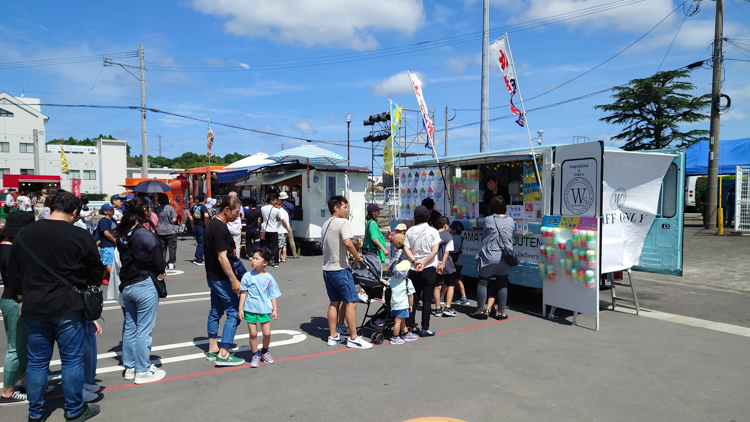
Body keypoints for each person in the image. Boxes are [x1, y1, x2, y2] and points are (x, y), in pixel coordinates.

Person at [8, 191, 103, 421]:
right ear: (74, 212)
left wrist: (21, 299)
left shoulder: (24, 234)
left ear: (51, 208)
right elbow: (95, 273)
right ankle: (74, 410)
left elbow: (14, 273)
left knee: (37, 362)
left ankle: (36, 413)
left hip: (34, 305)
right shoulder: (80, 235)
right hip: (68, 305)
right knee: (71, 360)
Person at [114, 196, 168, 384]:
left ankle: (130, 366)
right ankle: (142, 370)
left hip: (127, 284)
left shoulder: (123, 233)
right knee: (144, 329)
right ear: (144, 210)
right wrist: (161, 270)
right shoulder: (144, 234)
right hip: (143, 283)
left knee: (131, 326)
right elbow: (158, 259)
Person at [321, 196, 372, 349]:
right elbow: (348, 243)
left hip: (327, 269)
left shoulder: (325, 224)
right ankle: (353, 337)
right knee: (352, 301)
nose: (347, 210)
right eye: (344, 207)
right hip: (341, 269)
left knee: (334, 302)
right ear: (335, 208)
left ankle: (333, 336)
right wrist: (358, 257)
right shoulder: (343, 222)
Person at [203, 196, 246, 367]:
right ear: (226, 210)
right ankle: (224, 352)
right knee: (234, 311)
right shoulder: (220, 228)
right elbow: (222, 256)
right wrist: (233, 279)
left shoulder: (212, 223)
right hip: (221, 276)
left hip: (212, 275)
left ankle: (213, 347)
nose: (238, 216)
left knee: (216, 309)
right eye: (236, 212)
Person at [0, 211, 36, 406]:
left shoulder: (6, 247)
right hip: (15, 300)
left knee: (23, 346)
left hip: (11, 299)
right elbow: (18, 278)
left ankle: (25, 385)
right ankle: (7, 392)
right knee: (16, 347)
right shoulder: (9, 250)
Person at [472, 196, 514, 320]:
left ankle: (480, 309)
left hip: (490, 256)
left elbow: (484, 237)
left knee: (483, 282)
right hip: (506, 257)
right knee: (502, 284)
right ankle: (501, 313)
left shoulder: (488, 219)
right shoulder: (511, 220)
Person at [238, 248, 281, 368]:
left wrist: (275, 309)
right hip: (250, 309)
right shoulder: (247, 276)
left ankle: (265, 351)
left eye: (257, 259)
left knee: (267, 333)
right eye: (253, 258)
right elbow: (243, 293)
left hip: (264, 310)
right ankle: (255, 355)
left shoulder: (268, 277)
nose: (253, 260)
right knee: (253, 334)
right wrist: (240, 309)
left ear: (265, 262)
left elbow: (273, 294)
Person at [403, 205, 440, 337]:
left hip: (414, 268)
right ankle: (425, 328)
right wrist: (424, 263)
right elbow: (435, 250)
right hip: (429, 268)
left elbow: (405, 248)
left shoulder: (410, 231)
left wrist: (414, 261)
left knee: (414, 298)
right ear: (428, 216)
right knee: (427, 299)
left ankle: (411, 325)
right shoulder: (433, 231)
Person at [385, 260, 419, 345]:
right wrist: (411, 305)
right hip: (402, 304)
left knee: (402, 319)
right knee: (398, 321)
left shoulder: (392, 279)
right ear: (406, 273)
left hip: (394, 303)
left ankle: (406, 333)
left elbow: (387, 284)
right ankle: (395, 337)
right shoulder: (407, 281)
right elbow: (410, 295)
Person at [434, 216, 457, 317]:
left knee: (437, 286)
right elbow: (447, 252)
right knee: (450, 285)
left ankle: (438, 308)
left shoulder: (433, 235)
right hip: (447, 265)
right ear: (445, 225)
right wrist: (442, 264)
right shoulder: (448, 237)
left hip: (435, 263)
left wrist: (437, 263)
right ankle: (447, 307)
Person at [449, 221, 470, 305]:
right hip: (459, 261)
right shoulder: (460, 237)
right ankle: (462, 297)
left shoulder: (454, 239)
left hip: (455, 262)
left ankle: (464, 297)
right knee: (456, 280)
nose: (450, 230)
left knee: (457, 280)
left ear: (454, 230)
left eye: (451, 229)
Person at [155, 193, 178, 269]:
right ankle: (171, 262)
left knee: (162, 249)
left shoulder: (156, 209)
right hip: (170, 230)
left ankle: (163, 262)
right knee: (172, 248)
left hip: (159, 231)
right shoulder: (170, 208)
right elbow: (174, 219)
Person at [98, 204, 117, 286]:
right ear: (105, 212)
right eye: (110, 209)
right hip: (107, 244)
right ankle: (114, 279)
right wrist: (114, 240)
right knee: (109, 262)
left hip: (113, 244)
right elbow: (106, 233)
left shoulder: (113, 220)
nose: (112, 210)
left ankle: (104, 277)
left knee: (107, 262)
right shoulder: (103, 221)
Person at [260, 194, 280, 267]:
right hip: (274, 229)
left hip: (265, 229)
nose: (276, 201)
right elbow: (278, 219)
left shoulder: (262, 208)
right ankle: (276, 262)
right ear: (271, 201)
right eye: (275, 200)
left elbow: (262, 217)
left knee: (264, 246)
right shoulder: (276, 210)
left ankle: (263, 260)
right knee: (275, 246)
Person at [189, 193, 210, 266]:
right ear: (205, 199)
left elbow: (189, 213)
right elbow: (206, 215)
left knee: (199, 242)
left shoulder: (195, 206)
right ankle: (199, 258)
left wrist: (192, 220)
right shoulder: (203, 207)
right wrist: (206, 223)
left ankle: (198, 257)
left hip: (196, 227)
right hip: (201, 227)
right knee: (201, 243)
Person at [279, 191, 298, 259]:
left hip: (280, 226)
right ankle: (294, 254)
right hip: (288, 224)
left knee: (283, 241)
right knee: (291, 239)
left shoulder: (279, 206)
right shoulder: (290, 205)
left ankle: (284, 255)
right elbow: (292, 214)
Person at [226, 192, 244, 256]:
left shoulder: (226, 206)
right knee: (237, 245)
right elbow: (242, 216)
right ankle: (236, 258)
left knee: (227, 244)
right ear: (236, 197)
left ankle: (229, 257)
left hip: (228, 228)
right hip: (237, 228)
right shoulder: (239, 206)